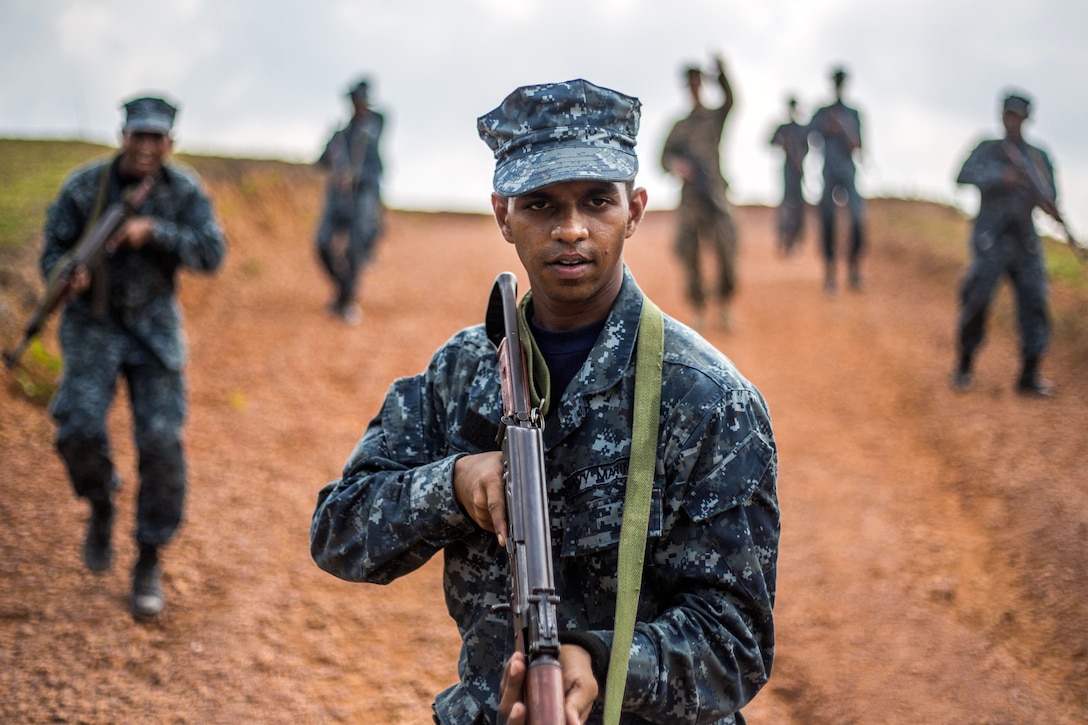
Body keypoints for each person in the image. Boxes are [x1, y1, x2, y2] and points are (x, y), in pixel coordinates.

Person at [311, 79, 779, 725]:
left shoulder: (708, 397)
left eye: (597, 201)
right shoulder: (463, 369)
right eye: (539, 204)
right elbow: (339, 534)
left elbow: (736, 642)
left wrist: (601, 662)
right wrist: (452, 484)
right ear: (503, 213)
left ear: (635, 209)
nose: (570, 229)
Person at [40, 95, 226, 619]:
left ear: (171, 143)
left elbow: (212, 253)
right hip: (92, 325)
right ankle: (101, 500)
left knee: (162, 443)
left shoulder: (183, 190)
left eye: (156, 138)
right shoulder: (83, 188)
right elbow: (50, 256)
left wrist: (155, 232)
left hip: (152, 328)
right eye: (137, 136)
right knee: (76, 425)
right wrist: (66, 275)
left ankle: (149, 555)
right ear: (123, 135)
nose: (146, 147)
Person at [951, 91, 1061, 396]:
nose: (1013, 121)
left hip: (1025, 240)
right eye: (1009, 115)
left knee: (1035, 301)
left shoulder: (1038, 158)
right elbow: (962, 176)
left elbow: (1051, 198)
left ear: (1026, 119)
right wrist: (1002, 176)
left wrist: (1041, 198)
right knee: (978, 299)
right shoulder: (988, 149)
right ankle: (964, 365)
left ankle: (1029, 374)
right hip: (991, 238)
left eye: (1019, 116)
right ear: (1002, 116)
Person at [661, 55, 740, 330]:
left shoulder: (714, 118)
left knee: (727, 250)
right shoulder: (680, 126)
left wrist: (723, 71)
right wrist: (677, 165)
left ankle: (726, 307)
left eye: (698, 82)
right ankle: (700, 310)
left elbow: (732, 101)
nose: (695, 87)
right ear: (687, 87)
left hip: (716, 195)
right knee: (689, 252)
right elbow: (663, 159)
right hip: (691, 200)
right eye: (690, 83)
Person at [315, 77, 385, 325]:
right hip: (338, 198)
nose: (358, 105)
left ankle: (346, 299)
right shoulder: (341, 135)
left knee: (355, 248)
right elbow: (321, 161)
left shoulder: (374, 127)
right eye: (355, 100)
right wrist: (332, 151)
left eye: (362, 99)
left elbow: (379, 124)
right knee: (322, 244)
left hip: (363, 196)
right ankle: (342, 289)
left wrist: (357, 176)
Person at [809, 66, 865, 294]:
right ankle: (830, 273)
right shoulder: (823, 113)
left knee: (857, 219)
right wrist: (826, 128)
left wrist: (848, 137)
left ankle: (854, 268)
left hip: (848, 172)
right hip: (829, 172)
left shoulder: (854, 114)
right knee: (828, 220)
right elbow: (810, 136)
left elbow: (859, 144)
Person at [769, 96, 810, 256]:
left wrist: (799, 160)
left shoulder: (801, 129)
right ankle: (783, 240)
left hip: (799, 173)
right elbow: (771, 142)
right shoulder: (783, 129)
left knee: (799, 207)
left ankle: (795, 242)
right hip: (787, 174)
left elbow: (806, 148)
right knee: (787, 207)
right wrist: (782, 143)